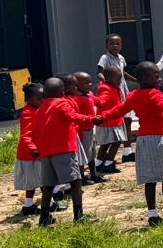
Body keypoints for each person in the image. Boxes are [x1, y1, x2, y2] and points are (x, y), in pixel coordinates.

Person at [98, 61, 163, 227]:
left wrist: (102, 117)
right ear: (146, 79)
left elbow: (118, 110)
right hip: (160, 138)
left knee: (150, 179)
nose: (159, 78)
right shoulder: (155, 94)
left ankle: (152, 214)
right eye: (156, 75)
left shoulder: (133, 95)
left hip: (143, 140)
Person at [31, 77, 97, 226]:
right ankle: (78, 216)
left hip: (46, 151)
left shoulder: (41, 107)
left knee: (48, 185)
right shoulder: (62, 103)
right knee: (75, 181)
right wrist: (91, 120)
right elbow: (73, 116)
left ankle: (44, 217)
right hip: (64, 149)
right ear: (62, 91)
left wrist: (35, 148)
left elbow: (35, 131)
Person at [13, 82, 52, 217]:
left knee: (41, 180)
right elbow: (25, 135)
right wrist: (33, 149)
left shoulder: (38, 110)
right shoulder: (28, 113)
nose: (41, 101)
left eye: (43, 98)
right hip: (30, 154)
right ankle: (40, 204)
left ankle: (30, 205)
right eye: (38, 99)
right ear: (28, 99)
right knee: (40, 181)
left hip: (38, 151)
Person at [97, 34, 137, 163]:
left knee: (128, 120)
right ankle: (106, 157)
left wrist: (136, 80)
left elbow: (123, 73)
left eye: (118, 44)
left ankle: (127, 151)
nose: (115, 46)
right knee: (118, 119)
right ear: (106, 45)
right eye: (112, 44)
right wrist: (106, 83)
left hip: (123, 91)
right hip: (114, 91)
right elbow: (99, 71)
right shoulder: (104, 58)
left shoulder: (121, 58)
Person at [71, 72, 104, 185]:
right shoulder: (75, 98)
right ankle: (82, 177)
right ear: (76, 85)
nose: (89, 84)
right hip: (82, 130)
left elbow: (98, 101)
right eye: (85, 82)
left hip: (90, 129)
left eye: (90, 81)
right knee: (83, 155)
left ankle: (94, 174)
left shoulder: (89, 94)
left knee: (91, 153)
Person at [93, 67, 128, 174]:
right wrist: (99, 101)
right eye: (117, 79)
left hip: (114, 120)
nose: (119, 81)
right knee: (115, 142)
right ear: (108, 78)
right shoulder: (105, 88)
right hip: (108, 122)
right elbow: (103, 99)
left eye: (120, 79)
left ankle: (98, 163)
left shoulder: (112, 87)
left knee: (108, 143)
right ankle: (108, 164)